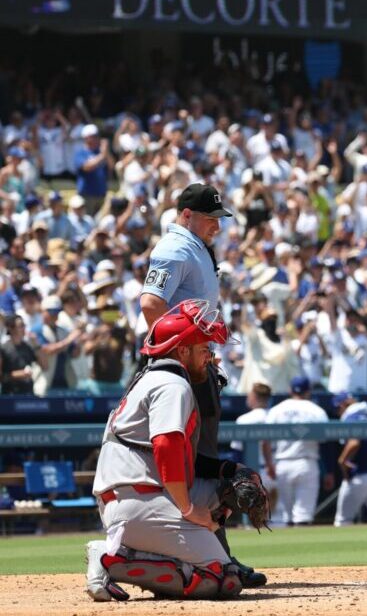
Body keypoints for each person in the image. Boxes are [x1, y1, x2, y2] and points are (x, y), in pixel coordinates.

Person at [138, 183, 266, 586]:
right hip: (184, 366)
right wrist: (178, 357)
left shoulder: (194, 246)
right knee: (197, 460)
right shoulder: (174, 248)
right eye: (211, 218)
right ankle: (214, 557)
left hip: (197, 362)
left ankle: (210, 555)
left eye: (219, 218)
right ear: (187, 214)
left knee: (202, 457)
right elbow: (150, 303)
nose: (217, 226)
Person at [85, 301, 242, 601]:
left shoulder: (151, 378)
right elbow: (166, 446)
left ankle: (130, 551)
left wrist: (229, 474)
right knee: (221, 577)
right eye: (203, 348)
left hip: (135, 497)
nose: (210, 356)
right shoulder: (172, 385)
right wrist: (188, 509)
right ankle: (111, 558)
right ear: (182, 351)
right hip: (139, 500)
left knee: (225, 490)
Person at [264, 376, 329, 526]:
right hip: (307, 463)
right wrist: (328, 471)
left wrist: (269, 464)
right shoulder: (317, 410)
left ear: (290, 390)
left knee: (287, 516)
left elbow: (264, 439)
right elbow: (325, 444)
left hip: (283, 463)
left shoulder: (277, 410)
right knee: (303, 515)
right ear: (308, 391)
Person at [333, 392, 367, 526]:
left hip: (359, 474)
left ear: (344, 405)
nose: (338, 413)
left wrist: (342, 460)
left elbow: (354, 442)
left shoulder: (351, 416)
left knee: (342, 520)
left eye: (338, 409)